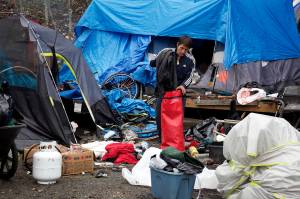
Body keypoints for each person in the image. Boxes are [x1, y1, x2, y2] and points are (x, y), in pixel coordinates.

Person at [150, 36, 195, 139]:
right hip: (163, 92)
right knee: (160, 117)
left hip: (178, 94)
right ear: (177, 44)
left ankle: (173, 140)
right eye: (182, 48)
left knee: (176, 119)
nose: (183, 51)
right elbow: (153, 63)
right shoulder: (166, 54)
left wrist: (183, 86)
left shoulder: (190, 60)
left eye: (186, 50)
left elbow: (190, 76)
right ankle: (162, 139)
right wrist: (158, 59)